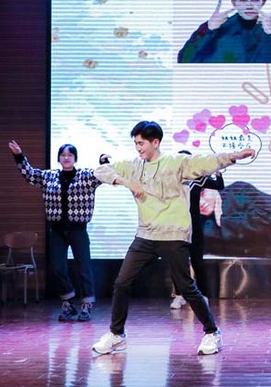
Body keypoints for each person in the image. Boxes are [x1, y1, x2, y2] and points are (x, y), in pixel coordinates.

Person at [91, 121, 255, 355]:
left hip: (173, 235)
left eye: (141, 143)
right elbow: (101, 171)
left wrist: (233, 156)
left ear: (155, 142)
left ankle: (212, 333)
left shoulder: (175, 163)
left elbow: (204, 162)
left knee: (186, 287)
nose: (138, 148)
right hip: (145, 234)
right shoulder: (134, 166)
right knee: (121, 282)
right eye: (136, 143)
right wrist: (126, 182)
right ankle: (117, 335)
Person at [8, 140, 105, 322]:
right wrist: (19, 155)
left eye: (70, 155)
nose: (66, 158)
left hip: (78, 229)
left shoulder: (85, 176)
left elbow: (103, 175)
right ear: (59, 158)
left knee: (83, 267)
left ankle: (87, 304)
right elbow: (29, 174)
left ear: (75, 158)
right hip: (57, 230)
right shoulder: (49, 176)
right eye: (63, 155)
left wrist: (103, 161)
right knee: (58, 267)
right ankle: (67, 302)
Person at [177, 0, 271, 63]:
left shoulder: (267, 33)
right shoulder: (216, 28)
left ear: (263, 2)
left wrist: (270, 34)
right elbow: (184, 60)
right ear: (234, 2)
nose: (249, 5)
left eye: (255, 0)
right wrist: (207, 29)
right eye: (243, 0)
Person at [170, 149, 225, 309]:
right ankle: (179, 296)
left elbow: (219, 185)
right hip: (175, 226)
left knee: (197, 262)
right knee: (177, 263)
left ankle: (202, 295)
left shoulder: (197, 178)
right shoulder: (170, 179)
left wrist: (218, 172)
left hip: (194, 226)